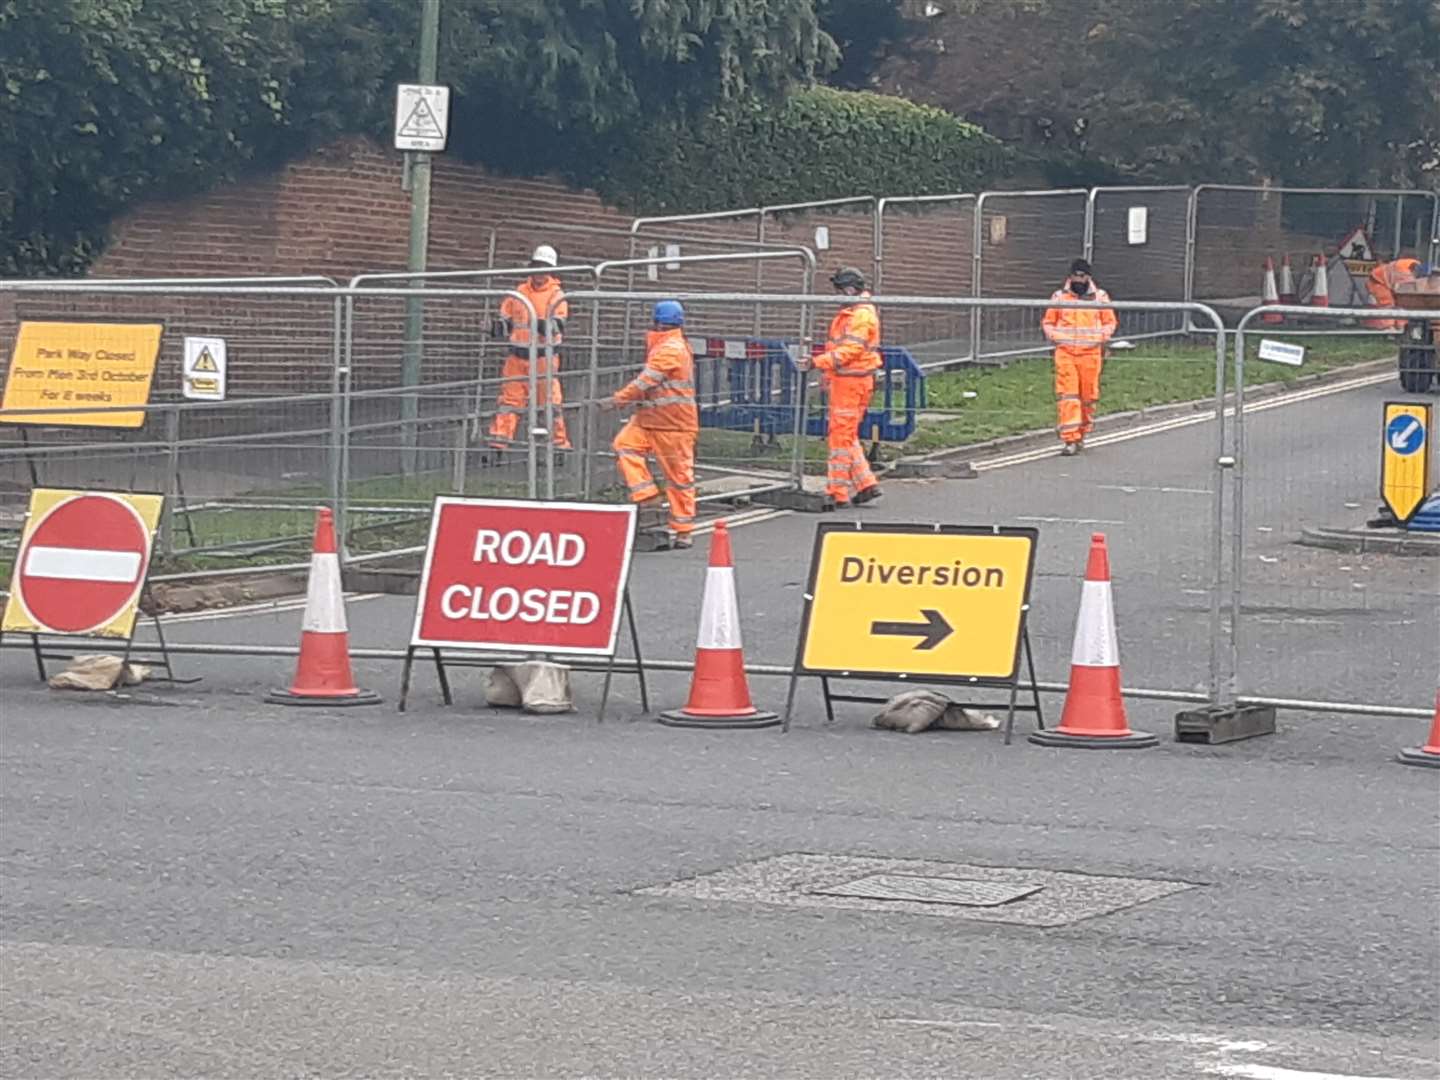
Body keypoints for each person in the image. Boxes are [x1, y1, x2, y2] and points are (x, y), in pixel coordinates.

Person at [606, 300, 698, 548]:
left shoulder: (670, 348)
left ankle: (683, 529)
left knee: (678, 478)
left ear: (657, 321)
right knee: (624, 445)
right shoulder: (666, 345)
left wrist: (617, 400)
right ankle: (646, 495)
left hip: (673, 425)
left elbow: (647, 381)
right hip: (650, 420)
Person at [811, 266, 882, 507]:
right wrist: (828, 373)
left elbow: (850, 351)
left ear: (850, 290)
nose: (836, 295)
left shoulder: (859, 316)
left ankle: (837, 491)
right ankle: (865, 484)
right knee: (847, 434)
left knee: (840, 437)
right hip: (849, 380)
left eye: (839, 290)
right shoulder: (854, 313)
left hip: (852, 383)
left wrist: (817, 363)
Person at [488, 244, 571, 451]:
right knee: (509, 402)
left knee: (550, 404)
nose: (540, 272)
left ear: (550, 270)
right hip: (517, 358)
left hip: (544, 358)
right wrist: (493, 328)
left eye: (544, 268)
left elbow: (556, 325)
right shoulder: (518, 292)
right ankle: (499, 443)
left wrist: (537, 322)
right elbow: (507, 322)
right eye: (537, 266)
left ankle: (559, 445)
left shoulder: (556, 295)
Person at [1042, 258, 1117, 457]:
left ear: (1088, 277)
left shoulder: (1100, 298)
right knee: (1068, 396)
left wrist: (1099, 338)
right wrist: (1057, 337)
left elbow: (1109, 322)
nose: (1078, 279)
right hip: (1066, 352)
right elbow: (1049, 322)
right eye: (1075, 275)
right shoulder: (1059, 297)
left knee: (1088, 396)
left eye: (1082, 276)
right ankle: (1070, 439)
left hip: (1090, 353)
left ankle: (1082, 433)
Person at [1367, 257, 1424, 331]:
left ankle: (1398, 326)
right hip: (1378, 282)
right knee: (1387, 304)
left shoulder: (1406, 265)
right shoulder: (1403, 270)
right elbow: (1404, 285)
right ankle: (1387, 327)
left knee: (1399, 303)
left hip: (1381, 281)